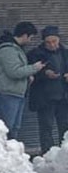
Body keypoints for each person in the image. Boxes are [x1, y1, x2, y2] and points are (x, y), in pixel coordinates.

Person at [0, 21, 45, 141]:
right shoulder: (9, 50)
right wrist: (34, 68)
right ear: (25, 35)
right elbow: (14, 72)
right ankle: (3, 151)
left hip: (16, 93)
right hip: (7, 93)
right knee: (7, 127)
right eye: (30, 37)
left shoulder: (16, 49)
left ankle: (12, 152)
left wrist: (28, 76)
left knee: (14, 127)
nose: (30, 41)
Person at [28, 25, 68, 154]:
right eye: (48, 42)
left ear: (59, 40)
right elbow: (29, 72)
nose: (51, 45)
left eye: (54, 41)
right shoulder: (36, 54)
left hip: (63, 97)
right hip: (45, 98)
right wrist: (44, 73)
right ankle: (48, 155)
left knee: (65, 127)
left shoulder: (65, 52)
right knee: (46, 128)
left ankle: (64, 154)